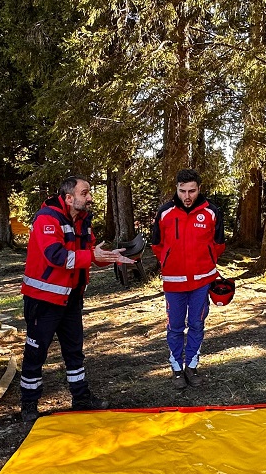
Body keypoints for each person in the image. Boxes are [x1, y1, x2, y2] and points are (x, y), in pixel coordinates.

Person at [19, 176, 135, 423]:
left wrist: (107, 257)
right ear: (69, 197)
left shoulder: (83, 220)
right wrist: (92, 254)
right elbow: (57, 257)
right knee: (35, 353)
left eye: (89, 193)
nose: (90, 198)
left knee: (74, 351)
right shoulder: (47, 219)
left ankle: (81, 397)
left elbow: (89, 254)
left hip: (71, 298)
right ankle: (29, 403)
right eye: (85, 193)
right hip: (44, 300)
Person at [149, 168, 226, 388]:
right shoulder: (164, 212)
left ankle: (191, 366)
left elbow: (219, 245)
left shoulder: (212, 211)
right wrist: (169, 262)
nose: (187, 196)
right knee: (174, 326)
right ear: (176, 189)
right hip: (173, 282)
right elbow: (156, 245)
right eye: (182, 191)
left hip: (202, 281)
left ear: (199, 189)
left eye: (192, 190)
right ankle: (176, 369)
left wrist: (205, 262)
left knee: (196, 323)